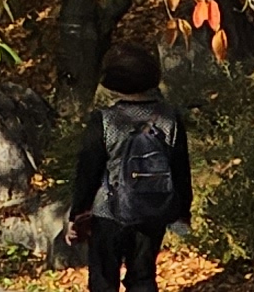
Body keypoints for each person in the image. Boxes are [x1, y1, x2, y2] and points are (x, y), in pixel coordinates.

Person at [62, 42, 192, 292]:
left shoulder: (104, 120)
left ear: (114, 82)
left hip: (108, 212)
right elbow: (180, 170)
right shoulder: (169, 118)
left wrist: (77, 215)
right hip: (153, 210)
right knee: (143, 277)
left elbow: (87, 172)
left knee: (103, 280)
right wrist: (182, 212)